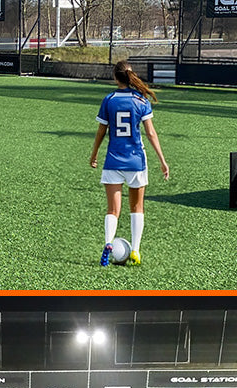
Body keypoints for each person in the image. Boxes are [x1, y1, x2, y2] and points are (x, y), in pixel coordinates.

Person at [89, 60, 170, 267]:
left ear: (115, 77)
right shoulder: (141, 100)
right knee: (137, 207)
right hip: (136, 161)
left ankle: (108, 243)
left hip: (113, 161)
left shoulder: (109, 100)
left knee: (112, 210)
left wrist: (94, 154)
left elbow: (101, 131)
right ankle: (135, 251)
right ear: (131, 75)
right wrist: (162, 160)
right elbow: (151, 133)